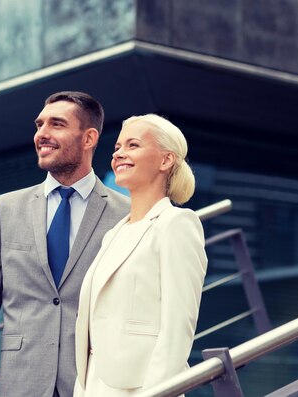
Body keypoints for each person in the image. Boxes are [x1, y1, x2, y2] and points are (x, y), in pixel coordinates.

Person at [0, 91, 130, 397]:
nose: (42, 135)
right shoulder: (5, 209)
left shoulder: (126, 214)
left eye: (56, 124)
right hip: (21, 384)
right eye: (39, 125)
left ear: (88, 138)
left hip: (94, 385)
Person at [73, 114, 208, 396]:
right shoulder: (114, 235)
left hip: (140, 389)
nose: (119, 153)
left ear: (165, 160)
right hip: (95, 386)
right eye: (117, 147)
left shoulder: (176, 224)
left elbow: (177, 328)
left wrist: (157, 392)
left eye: (133, 145)